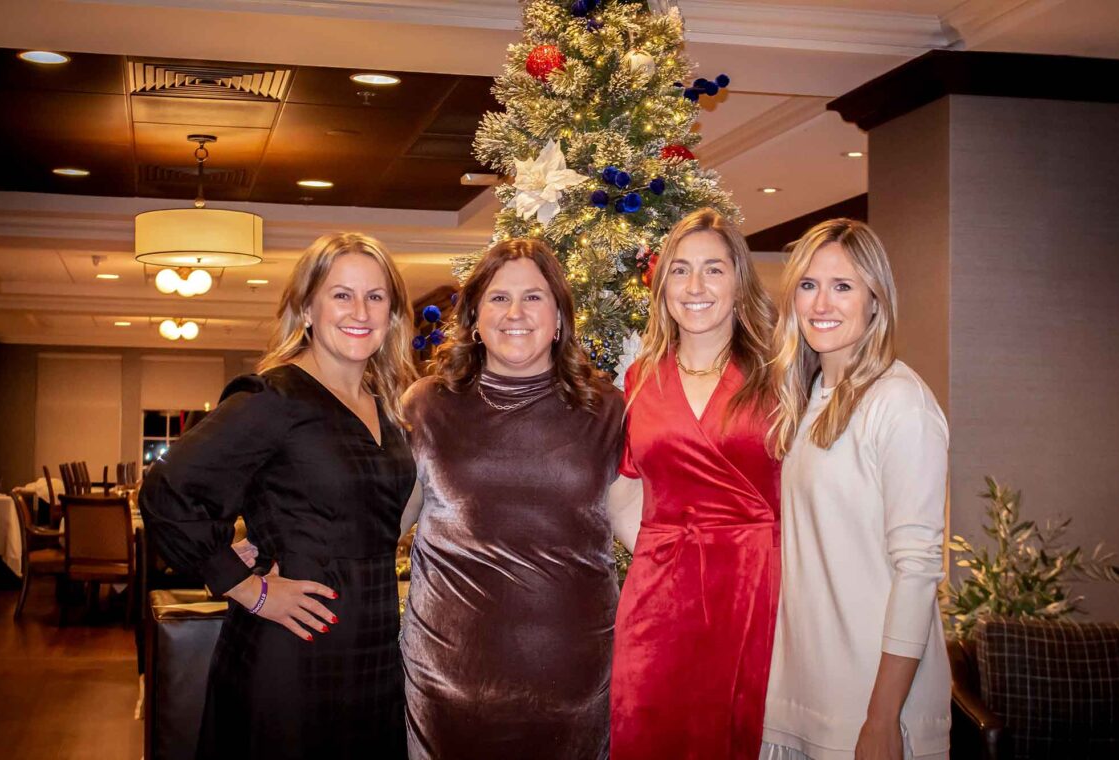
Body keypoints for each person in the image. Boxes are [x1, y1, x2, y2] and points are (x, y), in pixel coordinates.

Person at [140, 233, 418, 759]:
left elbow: (377, 516)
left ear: (393, 314)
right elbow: (166, 490)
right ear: (307, 307)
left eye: (376, 296)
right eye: (341, 294)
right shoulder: (274, 396)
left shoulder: (383, 406)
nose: (360, 310)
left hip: (376, 647)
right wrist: (244, 586)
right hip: (292, 650)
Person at [399, 238, 625, 759]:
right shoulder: (428, 406)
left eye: (534, 297)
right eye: (499, 299)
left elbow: (649, 529)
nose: (516, 313)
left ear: (561, 317)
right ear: (474, 318)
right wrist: (279, 551)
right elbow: (382, 522)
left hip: (575, 683)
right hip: (447, 682)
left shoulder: (608, 410)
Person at [760, 219, 950, 760]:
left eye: (843, 286)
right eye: (808, 284)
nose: (822, 302)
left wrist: (882, 717)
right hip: (800, 696)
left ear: (875, 300)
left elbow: (917, 570)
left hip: (869, 708)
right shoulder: (804, 396)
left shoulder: (899, 403)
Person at [610, 207, 781, 759]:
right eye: (680, 270)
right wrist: (658, 550)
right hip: (659, 600)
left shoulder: (780, 372)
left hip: (757, 591)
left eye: (713, 268)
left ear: (738, 279)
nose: (695, 286)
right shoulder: (639, 378)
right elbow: (624, 485)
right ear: (662, 287)